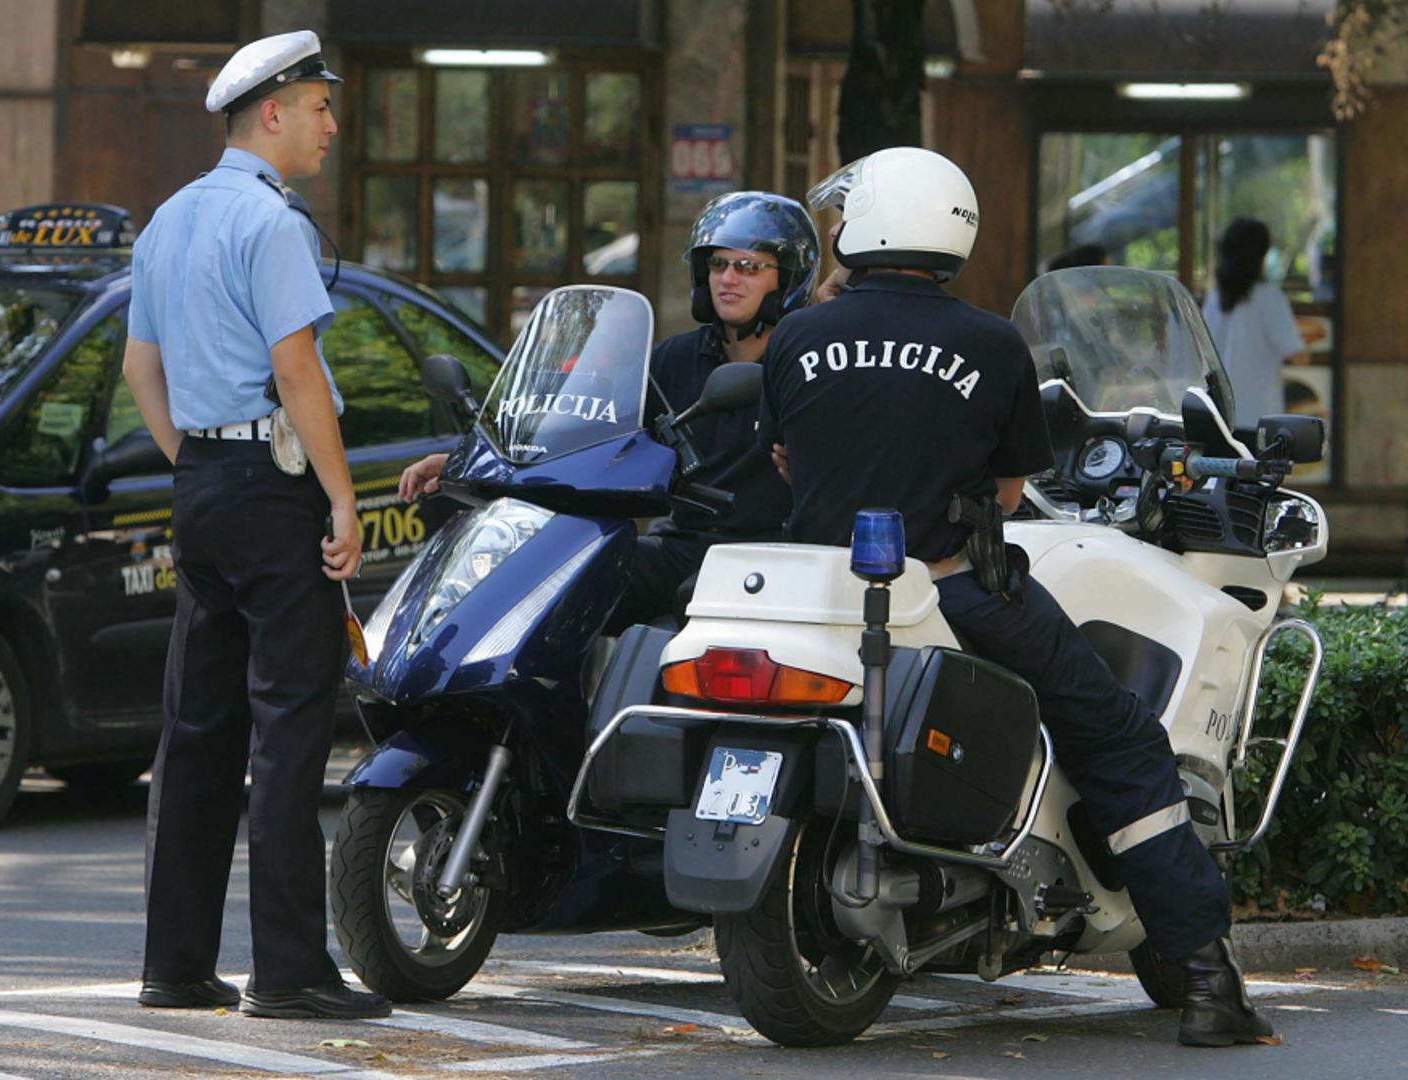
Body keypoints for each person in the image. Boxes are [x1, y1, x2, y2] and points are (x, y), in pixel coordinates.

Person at [759, 146, 1272, 1049]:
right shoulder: (992, 343)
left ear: (866, 224)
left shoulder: (798, 337)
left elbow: (786, 460)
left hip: (823, 599)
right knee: (1119, 736)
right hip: (951, 592)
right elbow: (1007, 492)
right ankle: (1205, 981)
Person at [122, 29, 390, 1021]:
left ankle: (176, 966)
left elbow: (140, 368)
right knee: (288, 729)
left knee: (196, 730)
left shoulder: (168, 219)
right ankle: (289, 971)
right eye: (318, 107)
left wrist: (196, 461)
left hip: (201, 480)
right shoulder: (272, 224)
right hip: (275, 488)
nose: (331, 125)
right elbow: (296, 369)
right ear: (271, 113)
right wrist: (341, 497)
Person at [400, 191, 820, 630]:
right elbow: (594, 436)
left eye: (748, 266)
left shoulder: (806, 363)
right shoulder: (674, 359)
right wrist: (466, 462)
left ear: (788, 277)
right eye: (717, 264)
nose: (728, 278)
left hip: (768, 553)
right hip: (683, 543)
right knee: (557, 577)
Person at [1201, 216, 1307, 428]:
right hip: (1258, 416)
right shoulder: (1269, 298)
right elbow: (1298, 356)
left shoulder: (1215, 298)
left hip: (1218, 417)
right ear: (1261, 255)